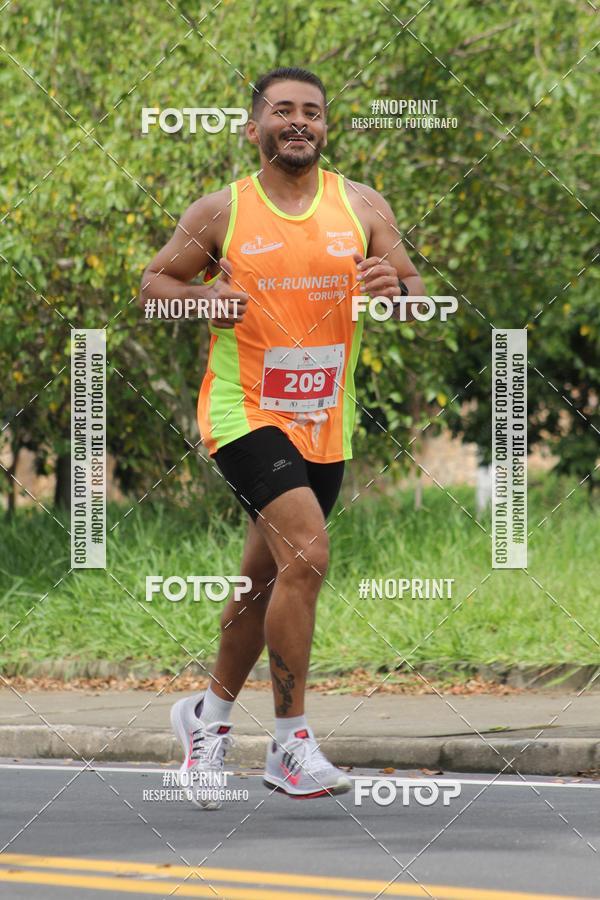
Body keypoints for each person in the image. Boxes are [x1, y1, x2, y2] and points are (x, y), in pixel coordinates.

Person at [141, 66, 424, 805]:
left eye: (313, 113)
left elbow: (412, 288)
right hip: (242, 409)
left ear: (326, 127)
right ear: (252, 126)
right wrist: (202, 300)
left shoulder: (361, 204)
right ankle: (290, 746)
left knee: (266, 577)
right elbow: (153, 289)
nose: (299, 122)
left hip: (326, 417)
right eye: (283, 112)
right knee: (308, 551)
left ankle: (205, 720)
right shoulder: (221, 211)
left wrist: (397, 290)